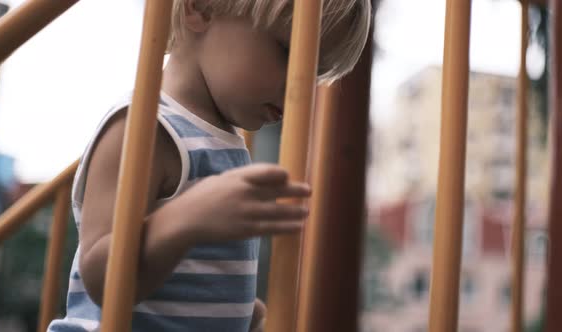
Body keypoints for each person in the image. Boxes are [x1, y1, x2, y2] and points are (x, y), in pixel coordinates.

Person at [48, 0, 370, 331]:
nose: (300, 85)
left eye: (314, 74)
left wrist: (246, 312)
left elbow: (192, 278)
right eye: (287, 52)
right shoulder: (145, 126)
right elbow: (101, 278)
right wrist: (189, 216)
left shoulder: (224, 140)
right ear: (199, 8)